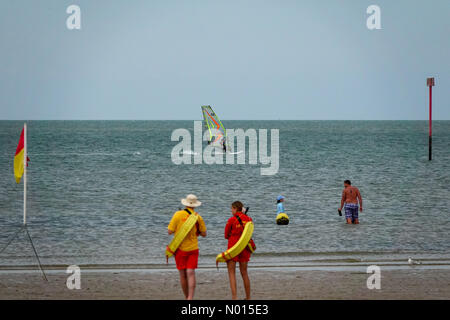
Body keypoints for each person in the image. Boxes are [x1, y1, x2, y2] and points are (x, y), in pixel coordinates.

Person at [168, 194, 207, 300]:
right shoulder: (198, 217)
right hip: (193, 248)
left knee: (182, 274)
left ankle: (186, 297)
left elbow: (169, 231)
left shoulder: (177, 214)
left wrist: (179, 229)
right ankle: (190, 298)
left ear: (185, 203)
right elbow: (204, 234)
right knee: (190, 272)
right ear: (195, 205)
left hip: (179, 248)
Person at [224, 201, 252, 300]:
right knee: (244, 272)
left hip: (233, 247)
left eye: (231, 208)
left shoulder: (231, 220)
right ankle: (248, 297)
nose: (231, 210)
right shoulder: (249, 219)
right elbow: (250, 232)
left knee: (231, 272)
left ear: (235, 208)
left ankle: (234, 297)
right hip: (244, 247)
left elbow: (226, 235)